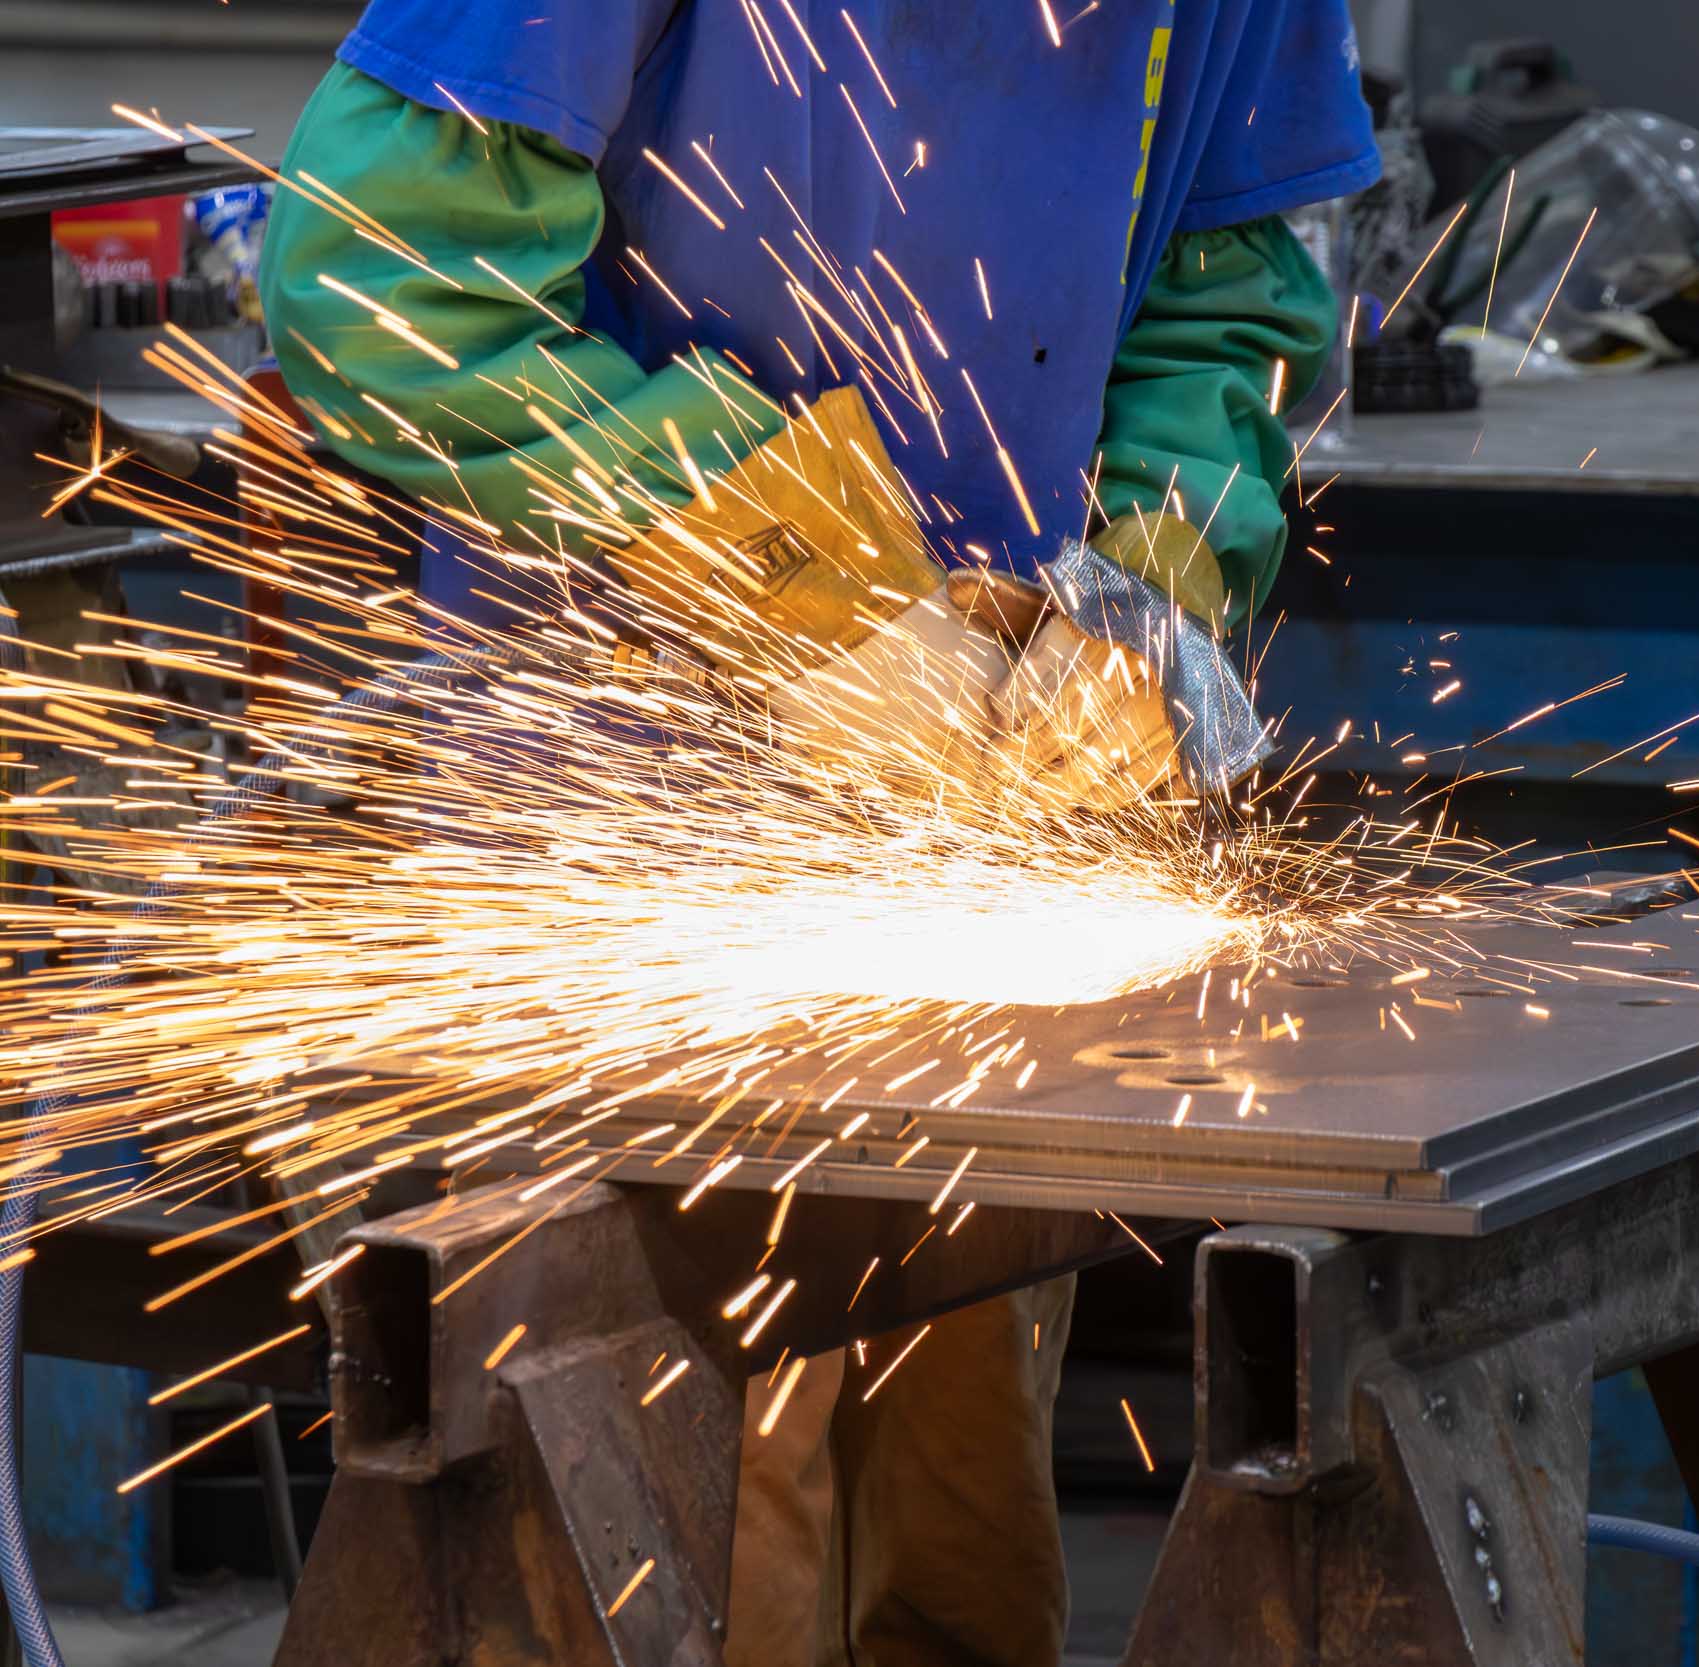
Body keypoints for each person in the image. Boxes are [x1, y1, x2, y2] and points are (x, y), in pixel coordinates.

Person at [260, 4, 1378, 1663]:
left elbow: (1231, 298)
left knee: (953, 1536)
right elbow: (384, 274)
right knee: (683, 1557)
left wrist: (1150, 587)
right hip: (624, 848)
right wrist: (786, 569)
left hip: (992, 846)